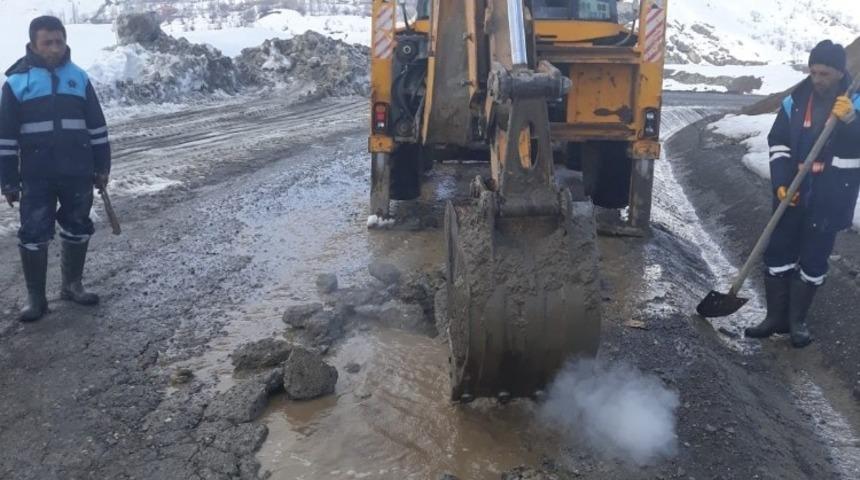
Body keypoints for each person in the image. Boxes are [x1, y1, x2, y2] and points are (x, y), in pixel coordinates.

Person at [745, 40, 860, 348]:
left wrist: (852, 122)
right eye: (813, 72)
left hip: (832, 194)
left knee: (813, 258)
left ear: (839, 72)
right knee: (778, 251)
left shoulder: (854, 101)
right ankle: (775, 319)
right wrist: (780, 182)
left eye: (824, 73)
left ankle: (797, 322)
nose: (817, 79)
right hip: (793, 188)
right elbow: (779, 141)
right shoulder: (794, 101)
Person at [0, 16, 111, 322]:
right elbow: (6, 137)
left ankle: (72, 285)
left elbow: (97, 128)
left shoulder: (79, 78)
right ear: (33, 44)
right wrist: (8, 179)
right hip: (36, 175)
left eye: (59, 41)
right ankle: (36, 299)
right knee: (34, 232)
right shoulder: (16, 83)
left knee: (77, 225)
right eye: (47, 42)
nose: (54, 48)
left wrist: (102, 167)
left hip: (78, 171)